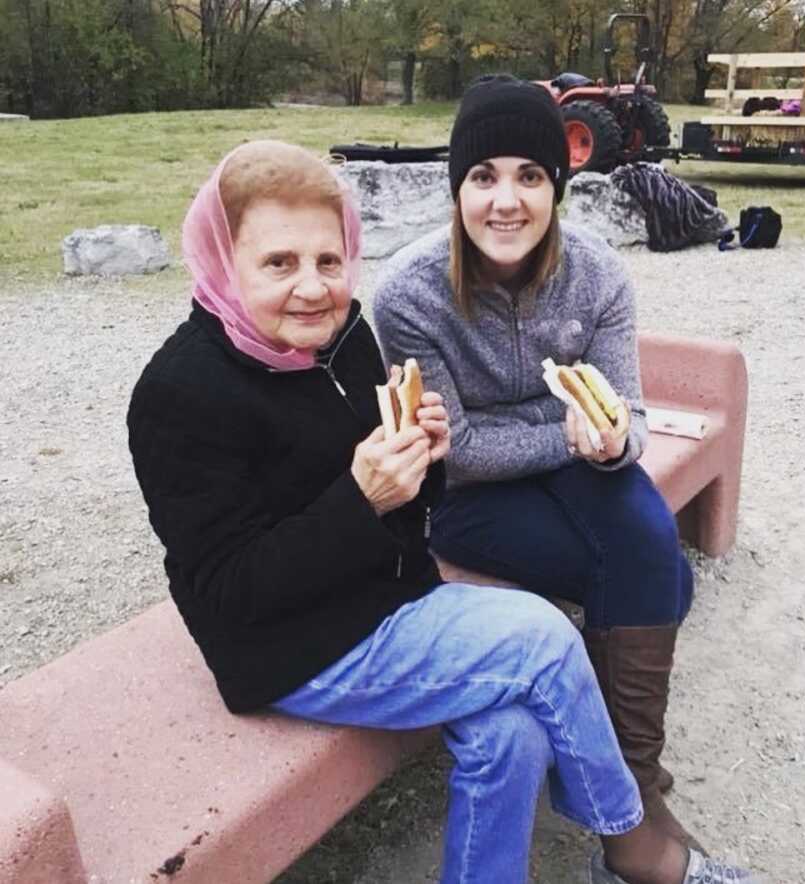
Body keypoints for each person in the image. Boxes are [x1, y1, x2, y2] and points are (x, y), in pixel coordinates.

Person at [127, 139, 759, 884]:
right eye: (278, 263)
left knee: (513, 734)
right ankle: (633, 845)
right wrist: (361, 500)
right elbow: (229, 593)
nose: (313, 287)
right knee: (542, 638)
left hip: (387, 599)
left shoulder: (344, 339)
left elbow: (407, 514)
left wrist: (423, 463)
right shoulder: (180, 394)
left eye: (329, 261)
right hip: (293, 649)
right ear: (221, 262)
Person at [373, 74, 720, 861]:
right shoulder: (408, 297)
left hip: (578, 477)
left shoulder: (597, 274)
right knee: (663, 576)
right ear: (456, 189)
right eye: (483, 176)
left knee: (639, 528)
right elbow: (455, 448)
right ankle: (630, 826)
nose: (507, 200)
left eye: (530, 176)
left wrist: (611, 441)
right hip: (467, 504)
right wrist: (566, 434)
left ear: (557, 185)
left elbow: (627, 418)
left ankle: (633, 784)